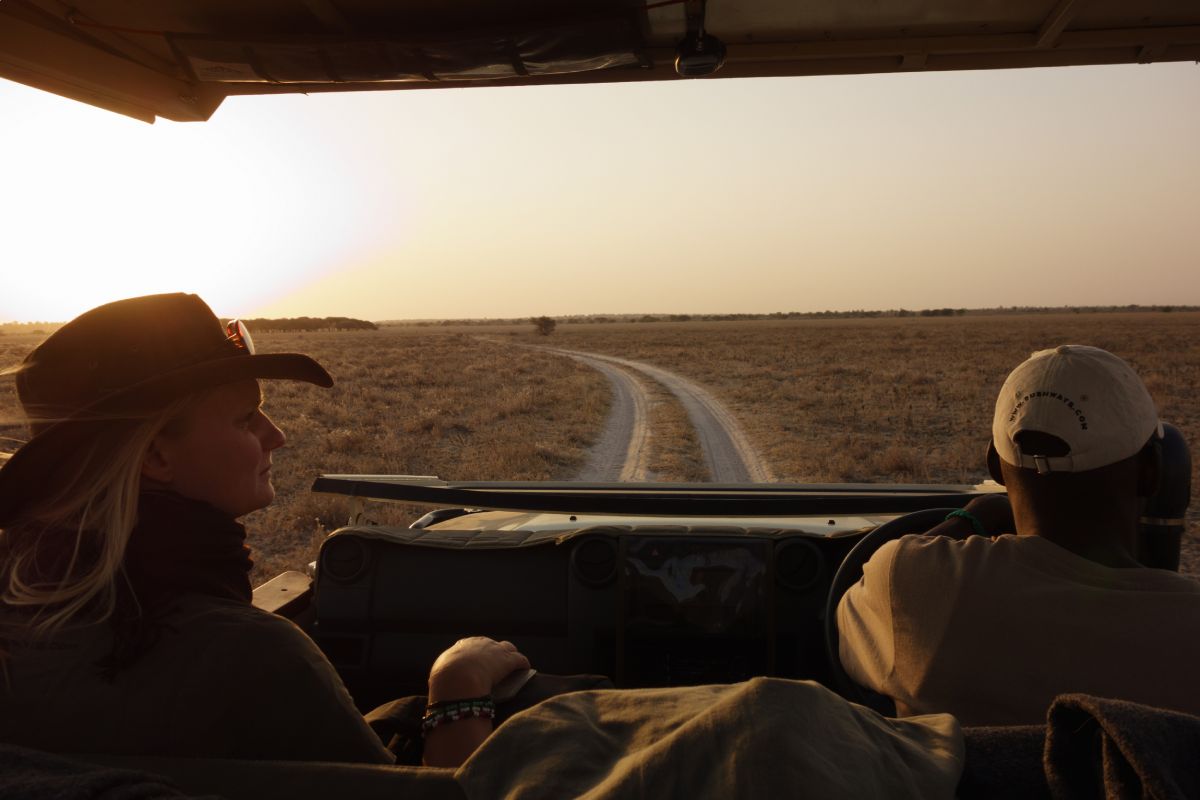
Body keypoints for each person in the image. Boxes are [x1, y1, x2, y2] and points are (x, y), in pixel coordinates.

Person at [0, 292, 527, 768]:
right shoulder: (248, 656)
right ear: (156, 455)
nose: (275, 436)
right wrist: (458, 689)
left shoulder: (26, 622)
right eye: (245, 418)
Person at [837, 344, 1200, 726]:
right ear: (1154, 473)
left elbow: (844, 629)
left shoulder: (910, 584)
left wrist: (968, 519)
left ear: (994, 464)